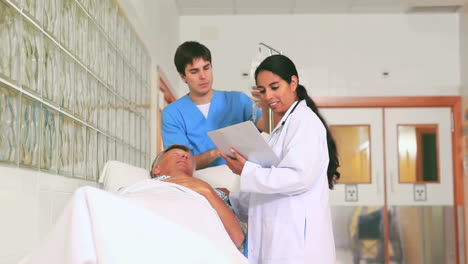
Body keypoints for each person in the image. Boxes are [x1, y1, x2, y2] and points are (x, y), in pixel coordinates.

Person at [220, 54, 340, 264]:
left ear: (293, 82)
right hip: (280, 240)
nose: (268, 96)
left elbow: (298, 178)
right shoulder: (282, 128)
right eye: (263, 90)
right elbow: (268, 186)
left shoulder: (305, 122)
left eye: (275, 87)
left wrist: (246, 170)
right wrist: (232, 200)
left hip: (295, 246)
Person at [162, 41, 267, 169]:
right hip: (200, 182)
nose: (203, 76)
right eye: (194, 71)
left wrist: (267, 104)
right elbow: (181, 164)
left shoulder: (238, 100)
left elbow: (268, 127)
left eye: (206, 68)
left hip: (240, 178)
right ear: (183, 76)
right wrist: (217, 152)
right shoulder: (173, 114)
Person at [149, 144, 245, 248]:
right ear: (156, 169)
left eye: (188, 157)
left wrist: (208, 191)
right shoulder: (148, 187)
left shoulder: (217, 193)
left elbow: (237, 237)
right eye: (176, 154)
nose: (184, 156)